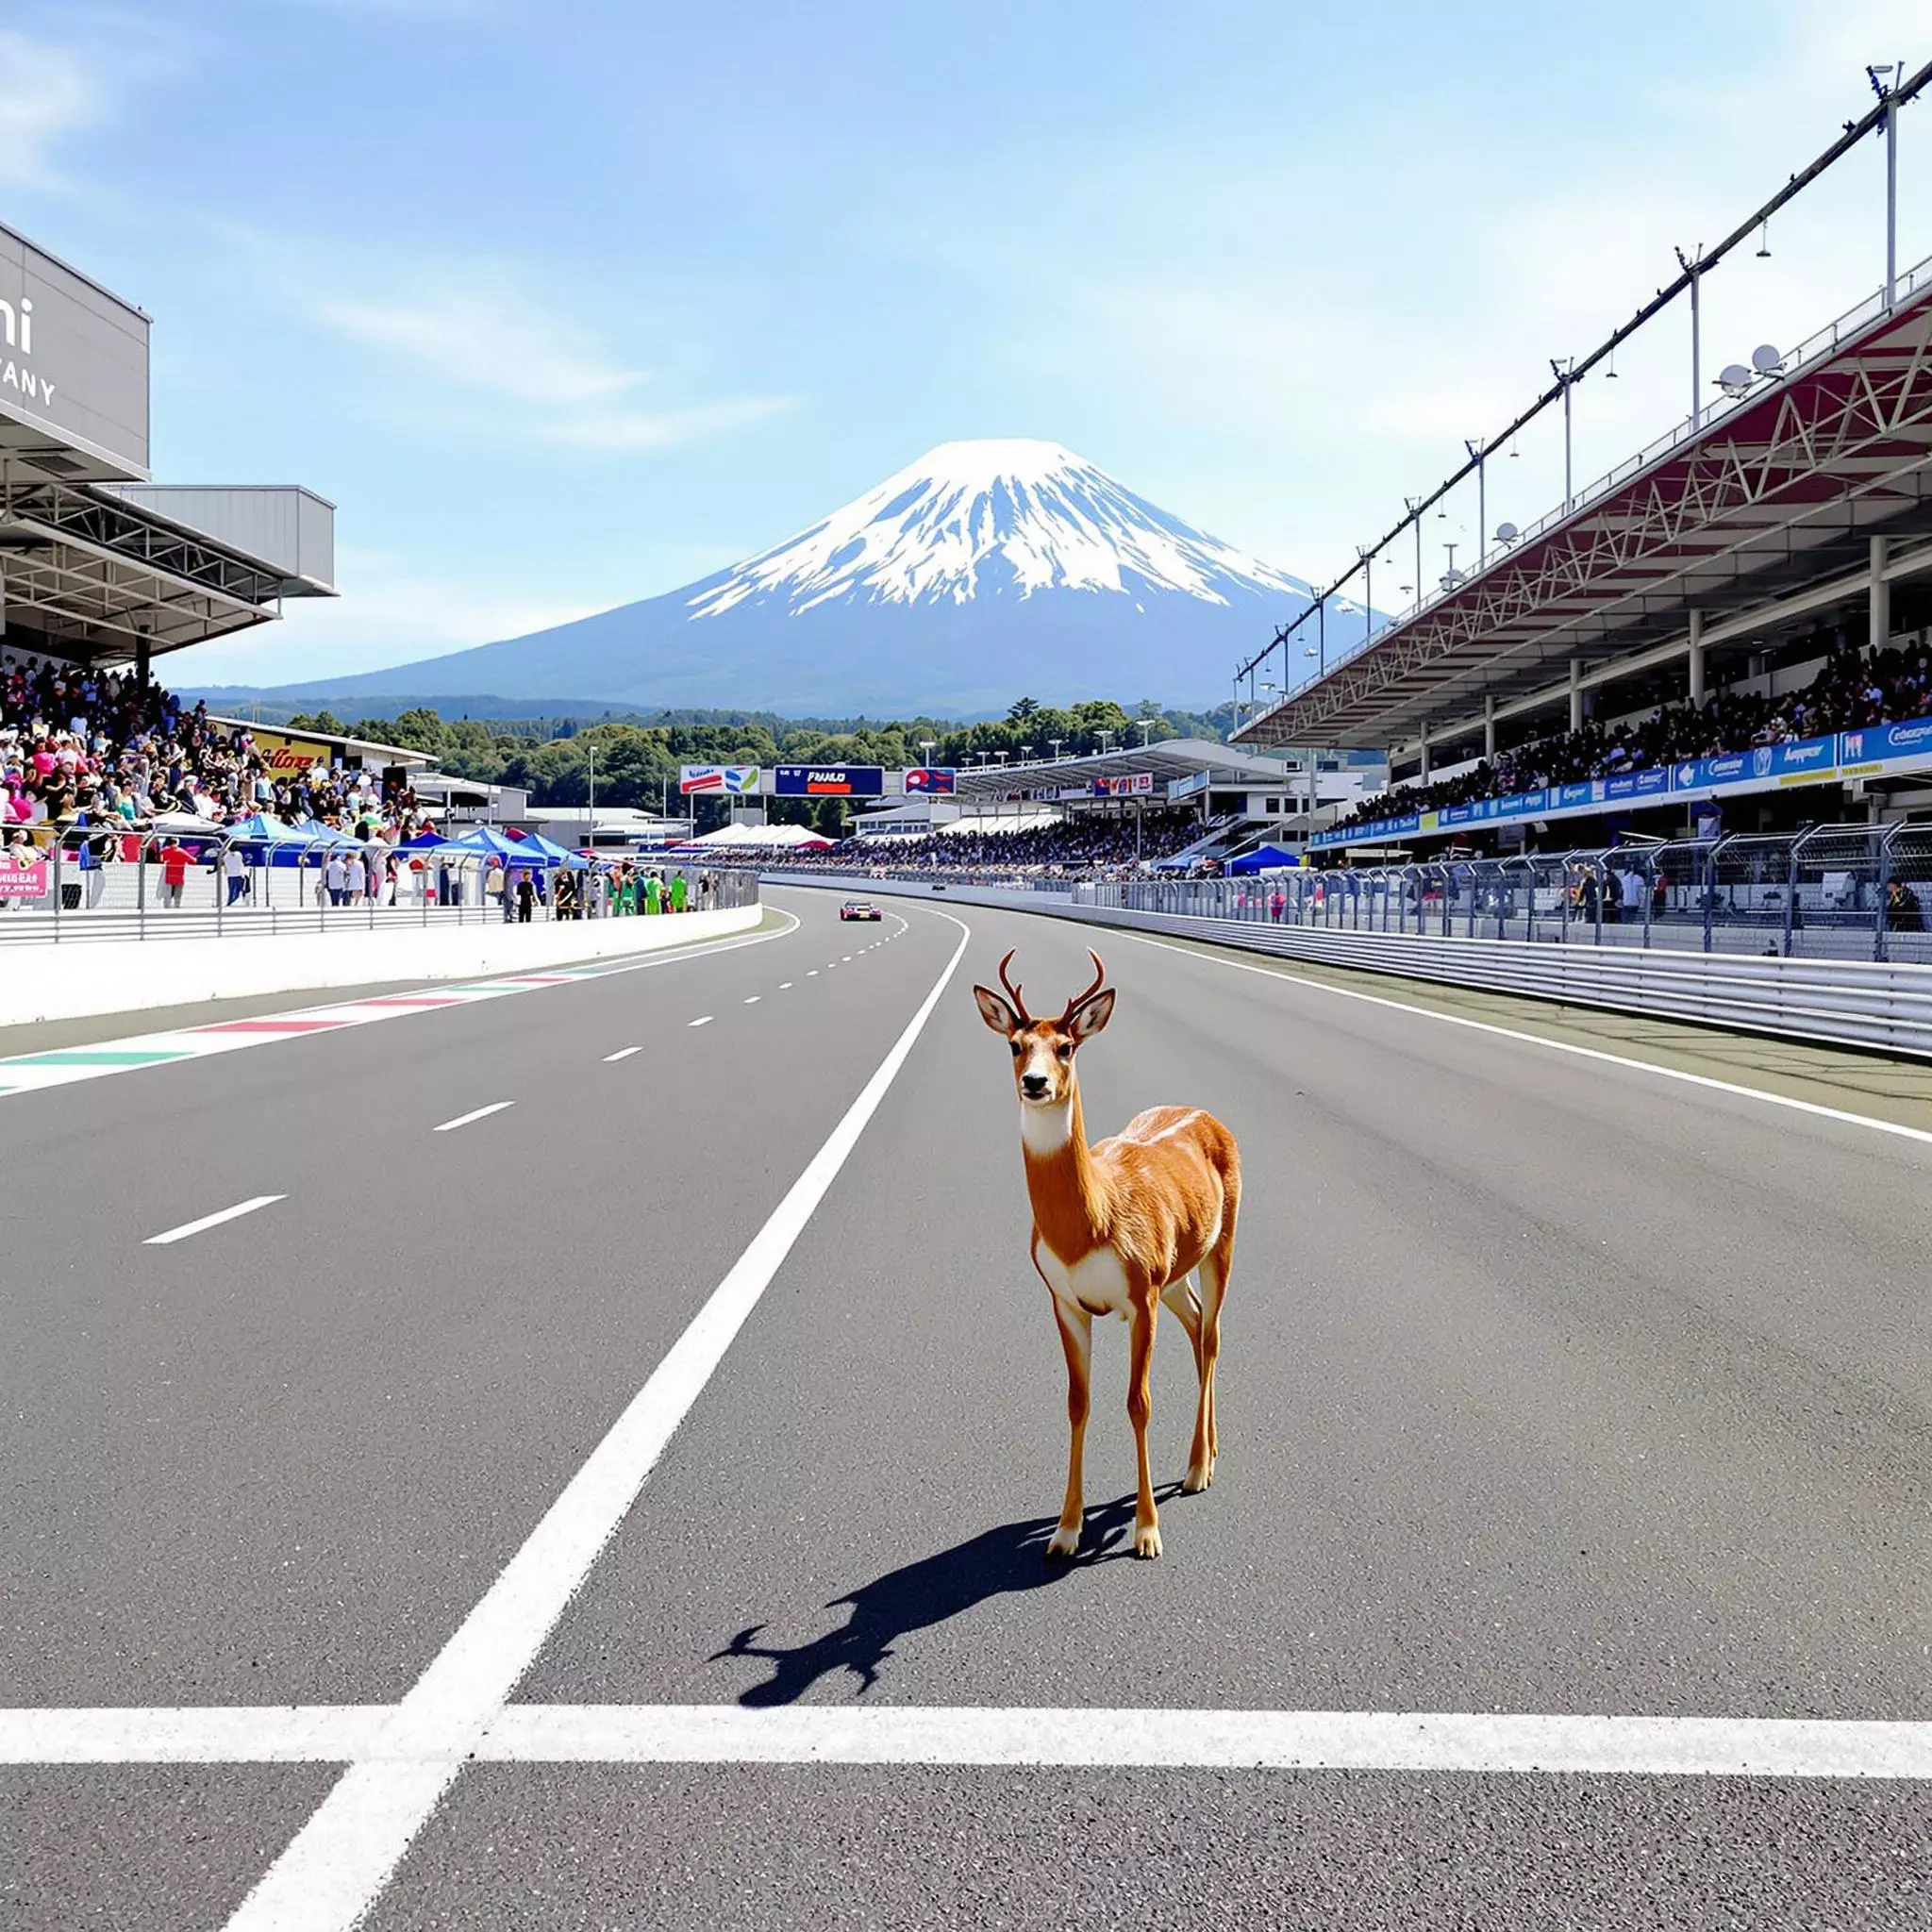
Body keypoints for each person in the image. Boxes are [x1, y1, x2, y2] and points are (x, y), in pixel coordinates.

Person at [158, 838, 192, 908]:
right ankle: (177, 908)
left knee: (167, 896)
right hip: (179, 877)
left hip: (168, 877)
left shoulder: (164, 851)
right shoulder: (181, 851)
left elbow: (160, 859)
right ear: (177, 843)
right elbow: (193, 861)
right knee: (177, 896)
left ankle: (167, 908)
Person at [224, 841, 249, 908]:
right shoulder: (238, 854)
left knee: (231, 891)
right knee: (238, 891)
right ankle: (233, 901)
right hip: (239, 875)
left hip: (230, 875)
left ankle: (229, 902)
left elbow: (225, 866)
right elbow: (241, 862)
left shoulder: (226, 856)